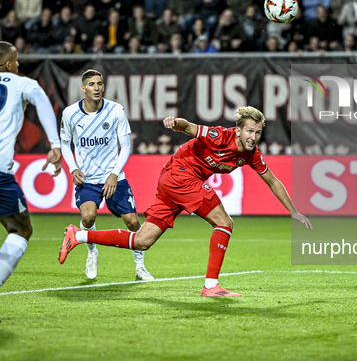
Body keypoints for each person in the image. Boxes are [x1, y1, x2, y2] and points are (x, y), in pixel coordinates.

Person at [60, 106, 312, 296]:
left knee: (143, 240)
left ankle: (78, 236)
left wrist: (293, 211)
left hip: (174, 182)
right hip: (180, 176)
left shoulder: (251, 154)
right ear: (238, 129)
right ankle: (211, 284)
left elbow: (273, 181)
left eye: (258, 132)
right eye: (249, 131)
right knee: (224, 222)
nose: (253, 136)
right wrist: (175, 122)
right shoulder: (219, 136)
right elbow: (188, 127)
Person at [59, 69, 154, 281]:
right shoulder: (70, 113)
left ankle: (140, 267)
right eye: (92, 84)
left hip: (114, 176)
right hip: (88, 179)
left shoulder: (115, 110)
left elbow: (126, 146)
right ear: (83, 88)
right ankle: (92, 252)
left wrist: (114, 173)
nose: (97, 88)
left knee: (132, 221)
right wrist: (73, 168)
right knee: (88, 216)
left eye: (100, 84)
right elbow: (65, 144)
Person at [0, 41, 62, 291]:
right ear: (7, 65)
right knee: (20, 229)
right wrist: (55, 144)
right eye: (16, 60)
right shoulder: (22, 83)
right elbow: (42, 102)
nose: (18, 64)